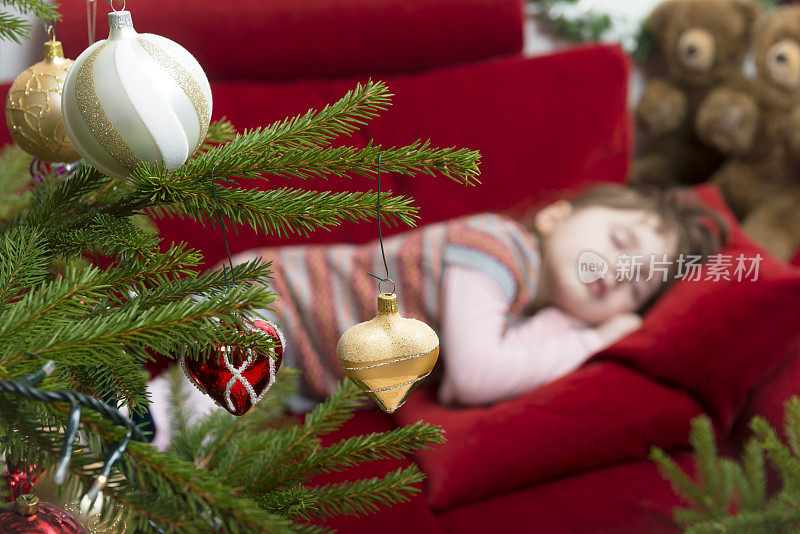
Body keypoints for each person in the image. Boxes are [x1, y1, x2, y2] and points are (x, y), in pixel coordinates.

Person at [231, 183, 727, 409]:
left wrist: (573, 323)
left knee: (228, 427)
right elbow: (472, 377)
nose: (619, 272)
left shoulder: (529, 302)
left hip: (299, 369)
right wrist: (592, 339)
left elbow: (472, 374)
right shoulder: (496, 249)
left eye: (637, 284)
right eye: (620, 243)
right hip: (266, 299)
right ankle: (153, 431)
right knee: (213, 401)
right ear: (555, 217)